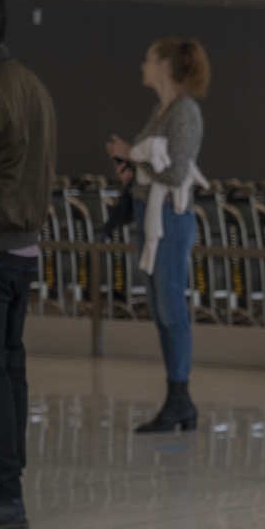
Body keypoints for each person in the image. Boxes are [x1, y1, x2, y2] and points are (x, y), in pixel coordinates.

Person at [104, 38, 211, 434]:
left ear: (165, 66)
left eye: (149, 60)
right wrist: (131, 168)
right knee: (160, 312)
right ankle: (178, 400)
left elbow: (176, 171)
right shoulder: (159, 111)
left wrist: (134, 154)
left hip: (170, 220)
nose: (143, 66)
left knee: (172, 311)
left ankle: (180, 398)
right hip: (149, 216)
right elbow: (152, 168)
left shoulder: (185, 112)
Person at [0, 0, 55, 529]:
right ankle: (8, 481)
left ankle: (2, 495)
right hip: (23, 251)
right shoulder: (33, 85)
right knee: (8, 367)